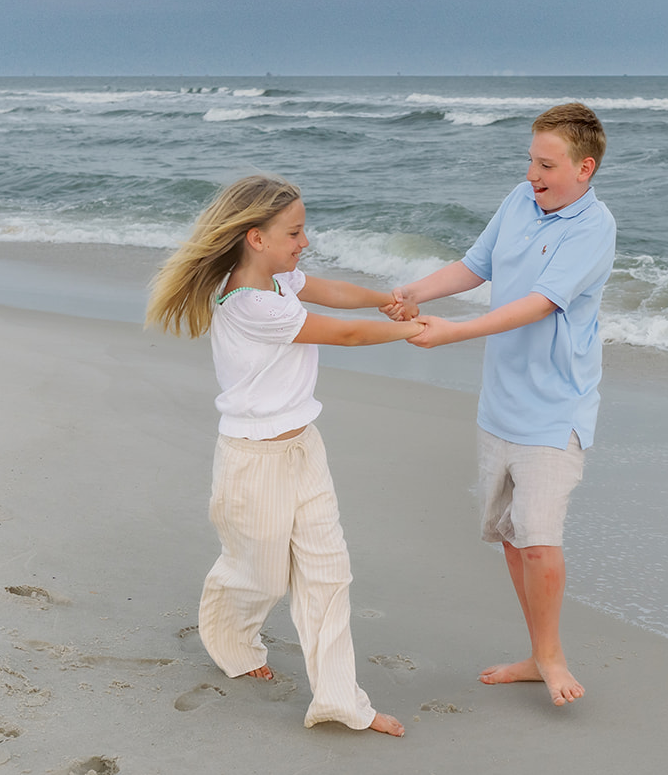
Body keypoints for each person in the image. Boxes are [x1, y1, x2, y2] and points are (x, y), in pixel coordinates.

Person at [146, 174, 422, 737]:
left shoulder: (278, 282)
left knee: (329, 572)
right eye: (294, 232)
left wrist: (386, 300)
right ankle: (229, 637)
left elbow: (329, 291)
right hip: (252, 461)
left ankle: (340, 700)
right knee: (260, 574)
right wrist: (414, 330)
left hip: (303, 448)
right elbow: (341, 334)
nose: (304, 241)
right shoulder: (248, 302)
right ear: (255, 238)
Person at [386, 102, 615, 706]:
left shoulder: (593, 228)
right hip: (500, 406)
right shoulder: (519, 201)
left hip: (554, 410)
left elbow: (540, 303)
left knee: (541, 538)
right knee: (514, 538)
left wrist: (453, 332)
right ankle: (538, 653)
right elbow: (475, 266)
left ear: (584, 168)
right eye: (531, 161)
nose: (534, 175)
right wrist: (414, 290)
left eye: (547, 165)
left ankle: (552, 655)